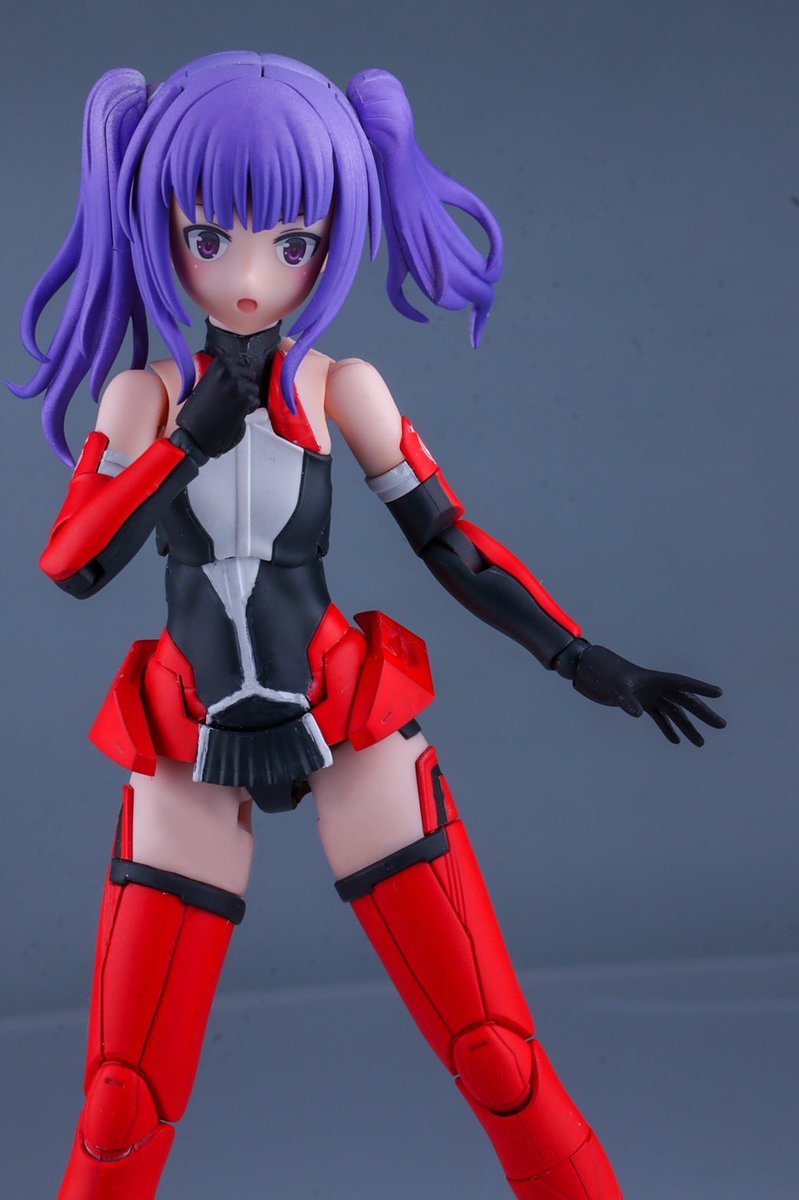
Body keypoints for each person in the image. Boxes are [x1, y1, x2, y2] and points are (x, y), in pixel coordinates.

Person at [12, 51, 724, 1200]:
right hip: (188, 731)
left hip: (343, 717)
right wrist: (185, 439)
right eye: (211, 238)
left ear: (330, 239)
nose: (251, 278)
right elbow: (73, 564)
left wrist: (584, 658)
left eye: (291, 243)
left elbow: (454, 542)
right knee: (120, 1104)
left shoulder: (341, 387)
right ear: (162, 228)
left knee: (497, 1059)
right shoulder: (143, 399)